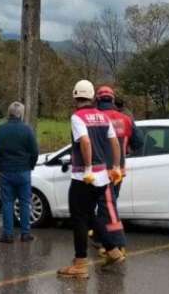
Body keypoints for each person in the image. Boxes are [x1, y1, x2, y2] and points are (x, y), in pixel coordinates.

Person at [58, 80, 125, 279]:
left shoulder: (77, 117)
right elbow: (114, 142)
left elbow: (85, 142)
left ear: (75, 96)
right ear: (93, 97)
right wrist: (115, 166)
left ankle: (80, 263)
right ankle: (112, 250)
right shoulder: (103, 117)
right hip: (103, 176)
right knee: (89, 214)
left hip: (83, 177)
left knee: (78, 218)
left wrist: (87, 168)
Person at [92, 86, 143, 256]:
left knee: (106, 206)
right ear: (112, 100)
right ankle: (100, 237)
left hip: (99, 169)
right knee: (109, 203)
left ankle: (113, 242)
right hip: (118, 170)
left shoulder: (95, 118)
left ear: (98, 100)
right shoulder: (126, 119)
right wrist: (126, 149)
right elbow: (139, 141)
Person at [0, 102, 39, 244]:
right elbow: (34, 151)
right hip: (23, 170)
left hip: (6, 170)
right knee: (25, 202)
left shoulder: (0, 130)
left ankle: (8, 233)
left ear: (9, 113)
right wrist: (30, 165)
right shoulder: (27, 130)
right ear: (21, 114)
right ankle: (25, 233)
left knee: (7, 202)